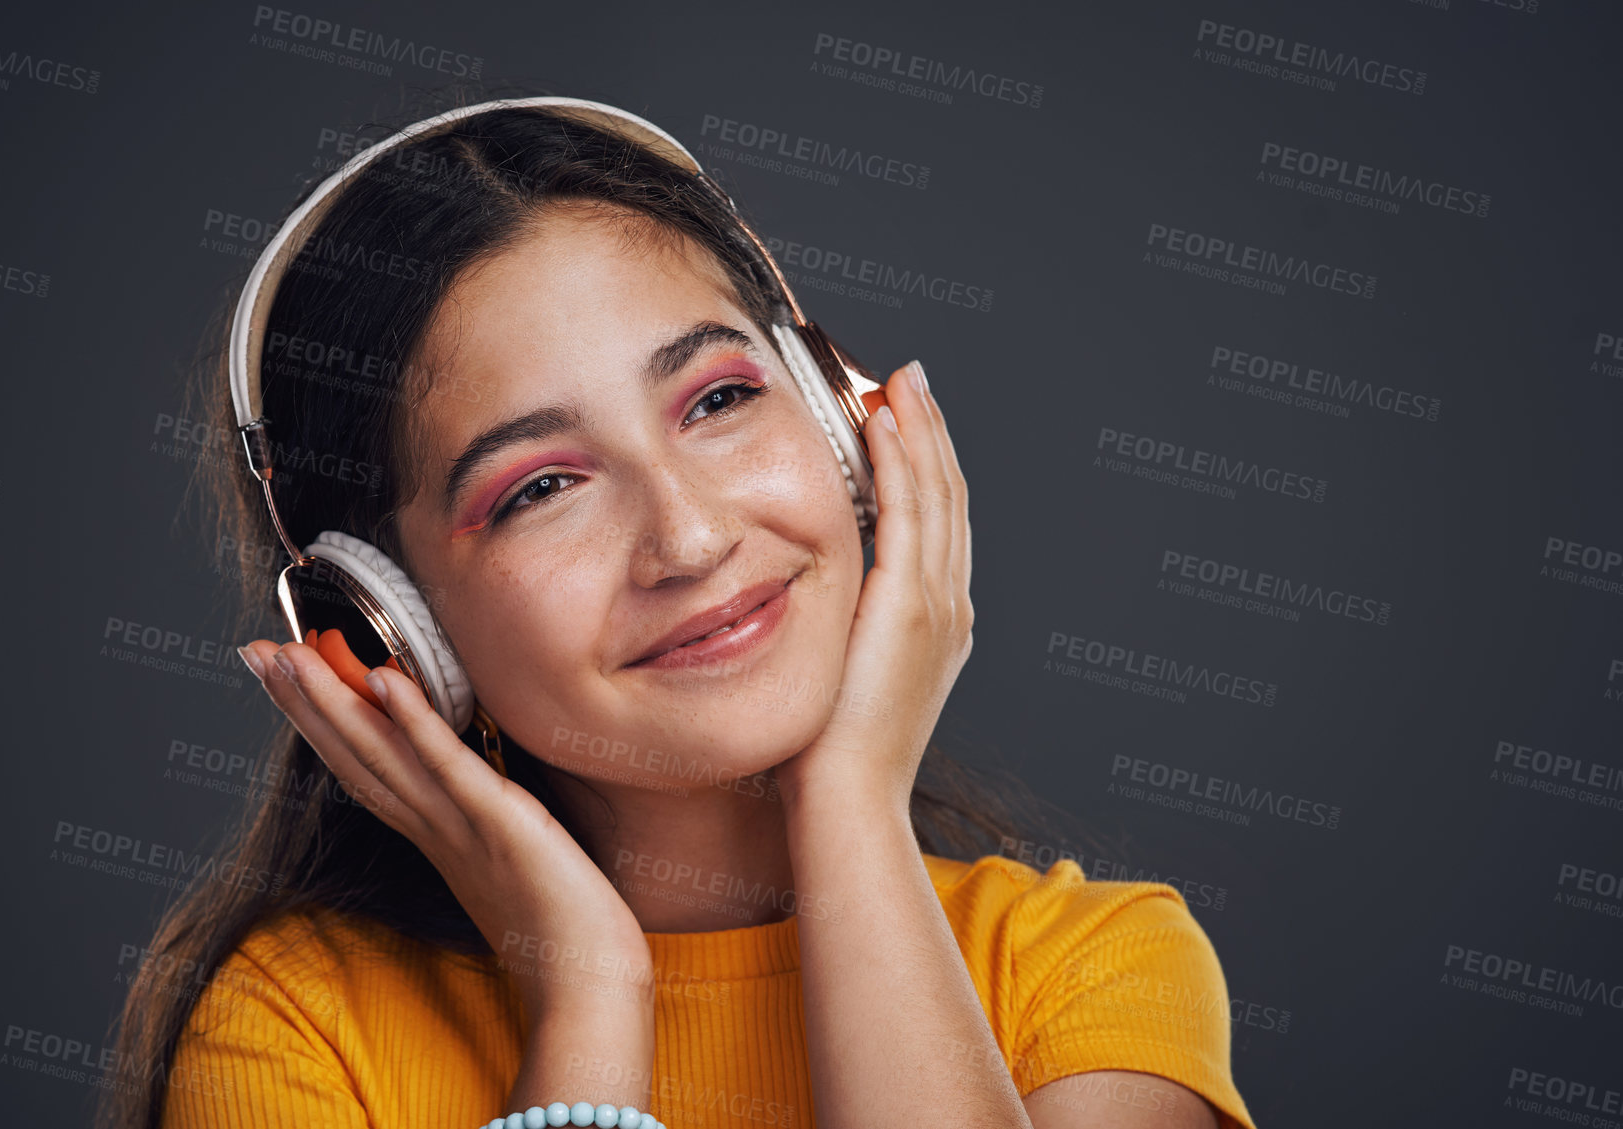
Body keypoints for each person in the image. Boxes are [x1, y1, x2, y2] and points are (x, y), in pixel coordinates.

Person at [99, 92, 1258, 1129]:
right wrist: (587, 1000)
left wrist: (849, 803)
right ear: (388, 625)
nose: (691, 539)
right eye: (540, 488)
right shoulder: (298, 1023)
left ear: (835, 415)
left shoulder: (1097, 969)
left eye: (718, 399)